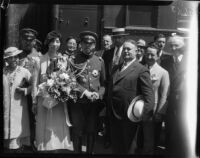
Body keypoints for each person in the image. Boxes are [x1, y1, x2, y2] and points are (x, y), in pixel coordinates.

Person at [109, 39, 154, 154]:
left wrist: (143, 117)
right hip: (113, 116)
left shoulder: (141, 70)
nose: (126, 51)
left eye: (129, 49)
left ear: (136, 51)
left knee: (128, 149)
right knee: (116, 148)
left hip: (129, 118)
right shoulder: (115, 68)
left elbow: (149, 97)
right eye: (124, 49)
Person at [33, 31, 73, 152]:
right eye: (52, 41)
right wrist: (34, 102)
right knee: (43, 125)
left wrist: (64, 90)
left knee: (57, 126)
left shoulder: (64, 60)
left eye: (57, 41)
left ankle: (58, 148)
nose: (54, 44)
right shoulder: (39, 60)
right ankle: (43, 147)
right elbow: (35, 83)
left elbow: (69, 79)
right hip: (43, 100)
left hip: (58, 100)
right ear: (47, 43)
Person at [68, 31, 106, 154]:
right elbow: (70, 80)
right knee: (77, 131)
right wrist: (85, 92)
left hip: (93, 104)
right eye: (85, 43)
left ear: (94, 45)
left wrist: (99, 94)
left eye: (91, 43)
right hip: (78, 102)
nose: (88, 46)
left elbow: (104, 83)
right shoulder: (73, 60)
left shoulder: (99, 61)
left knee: (91, 130)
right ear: (81, 45)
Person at [3, 47, 32, 153]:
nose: (14, 59)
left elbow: (34, 85)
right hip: (5, 109)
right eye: (11, 58)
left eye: (16, 57)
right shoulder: (3, 72)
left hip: (19, 110)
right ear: (6, 60)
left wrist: (25, 90)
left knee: (17, 142)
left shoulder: (24, 71)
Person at [144, 43, 170, 153]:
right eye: (148, 54)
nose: (149, 57)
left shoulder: (163, 72)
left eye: (152, 55)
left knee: (150, 140)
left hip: (152, 111)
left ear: (157, 56)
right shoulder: (140, 68)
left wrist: (160, 112)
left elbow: (164, 95)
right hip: (138, 109)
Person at [164, 35, 188, 157]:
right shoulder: (165, 61)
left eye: (176, 45)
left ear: (183, 46)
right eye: (171, 45)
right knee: (170, 128)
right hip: (170, 101)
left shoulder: (191, 60)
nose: (173, 48)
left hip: (185, 101)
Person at [18, 28, 41, 151]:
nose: (27, 42)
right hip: (17, 94)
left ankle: (32, 142)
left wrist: (29, 90)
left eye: (30, 40)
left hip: (32, 94)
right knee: (19, 118)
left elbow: (40, 80)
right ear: (21, 40)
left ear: (34, 41)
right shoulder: (16, 55)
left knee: (32, 119)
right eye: (25, 39)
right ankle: (20, 142)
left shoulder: (38, 57)